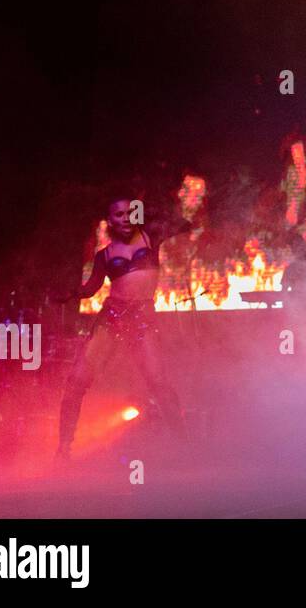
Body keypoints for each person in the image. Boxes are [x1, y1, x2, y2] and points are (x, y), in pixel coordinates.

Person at [53, 196, 189, 460]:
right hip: (113, 317)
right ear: (110, 220)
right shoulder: (104, 256)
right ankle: (63, 448)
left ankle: (183, 445)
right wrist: (70, 294)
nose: (125, 219)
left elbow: (180, 223)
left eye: (130, 213)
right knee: (77, 381)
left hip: (142, 319)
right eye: (118, 215)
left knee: (158, 381)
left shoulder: (152, 240)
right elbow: (91, 288)